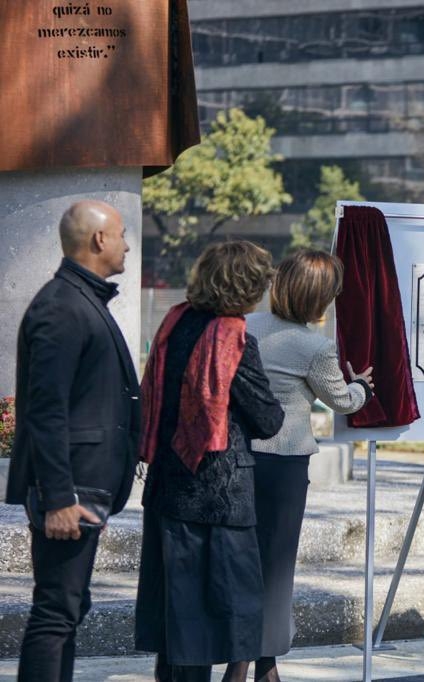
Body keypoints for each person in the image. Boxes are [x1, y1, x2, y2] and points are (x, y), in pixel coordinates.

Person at [133, 241, 284, 682]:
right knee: (230, 609)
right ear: (244, 286)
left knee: (179, 614)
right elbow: (268, 419)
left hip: (168, 487)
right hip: (220, 498)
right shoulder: (235, 338)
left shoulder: (173, 323)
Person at [5, 200, 140, 682]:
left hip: (85, 487)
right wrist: (59, 497)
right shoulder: (62, 307)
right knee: (56, 612)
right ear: (100, 240)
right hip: (71, 493)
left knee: (68, 608)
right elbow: (45, 411)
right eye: (122, 234)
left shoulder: (80, 300)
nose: (127, 243)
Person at [244, 250, 374, 681]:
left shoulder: (246, 327)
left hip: (240, 459)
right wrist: (361, 387)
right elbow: (342, 401)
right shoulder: (315, 348)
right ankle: (259, 665)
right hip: (283, 466)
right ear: (319, 299)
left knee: (241, 561)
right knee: (276, 567)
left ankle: (248, 661)